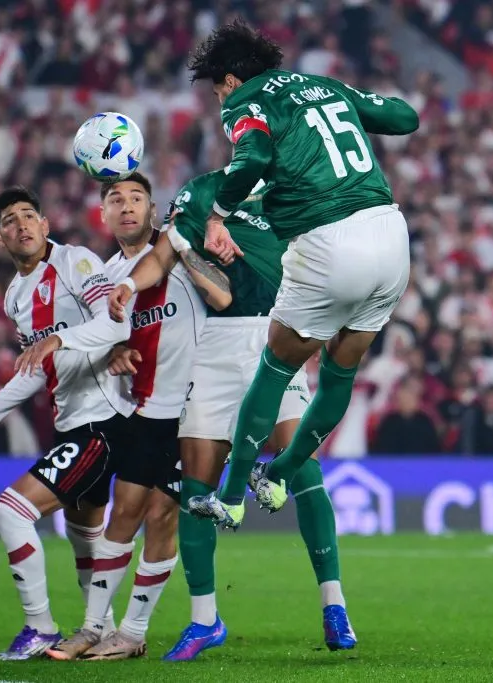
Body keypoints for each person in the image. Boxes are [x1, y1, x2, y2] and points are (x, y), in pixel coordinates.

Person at [182, 20, 418, 529]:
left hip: (329, 240)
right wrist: (353, 103)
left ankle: (231, 495)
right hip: (391, 234)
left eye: (216, 88)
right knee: (341, 368)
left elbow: (256, 154)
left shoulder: (244, 101)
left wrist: (219, 214)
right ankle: (283, 473)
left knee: (277, 366)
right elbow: (404, 118)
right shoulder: (325, 87)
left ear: (226, 79)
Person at [110, 169, 354, 657]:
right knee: (196, 489)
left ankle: (334, 604)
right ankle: (204, 620)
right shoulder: (202, 191)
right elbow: (164, 252)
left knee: (303, 472)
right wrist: (130, 287)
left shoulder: (295, 193)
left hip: (276, 334)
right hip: (216, 343)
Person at [36, 171, 219, 661]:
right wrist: (111, 352)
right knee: (124, 514)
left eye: (137, 197)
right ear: (104, 215)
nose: (127, 206)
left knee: (162, 517)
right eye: (115, 199)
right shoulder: (108, 275)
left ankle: (133, 632)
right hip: (143, 409)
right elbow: (101, 334)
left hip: (196, 408)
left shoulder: (176, 251)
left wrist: (191, 252)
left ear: (154, 210)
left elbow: (223, 296)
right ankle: (94, 627)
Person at [0, 185, 133, 660]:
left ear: (45, 225)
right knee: (84, 532)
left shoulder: (77, 262)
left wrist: (59, 341)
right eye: (10, 220)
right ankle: (107, 631)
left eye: (29, 215)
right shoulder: (15, 296)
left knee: (11, 510)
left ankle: (40, 627)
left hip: (104, 419)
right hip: (71, 420)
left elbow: (116, 325)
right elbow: (35, 369)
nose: (22, 225)